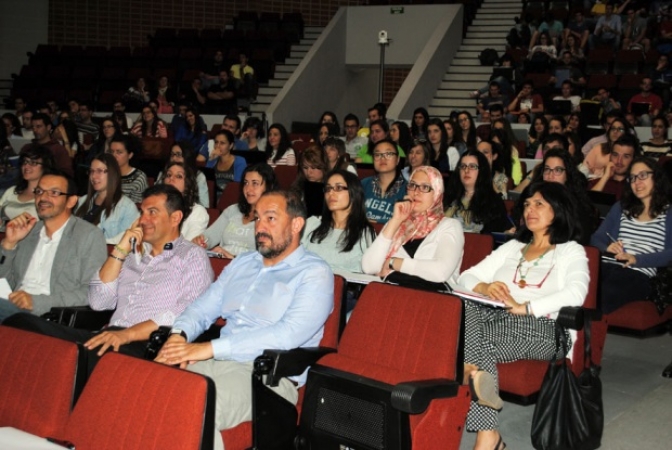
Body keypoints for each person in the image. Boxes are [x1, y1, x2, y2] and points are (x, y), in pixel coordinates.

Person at [154, 190, 334, 450]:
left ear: (296, 224)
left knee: (196, 408)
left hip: (268, 377)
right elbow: (203, 308)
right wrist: (177, 337)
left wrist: (207, 348)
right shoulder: (243, 263)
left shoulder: (314, 273)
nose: (260, 227)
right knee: (149, 391)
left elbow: (288, 335)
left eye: (270, 218)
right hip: (216, 360)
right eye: (257, 218)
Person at [5, 184, 213, 373]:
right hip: (109, 336)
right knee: (19, 323)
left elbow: (187, 311)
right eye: (142, 212)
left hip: (148, 344)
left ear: (175, 218)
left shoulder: (192, 255)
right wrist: (120, 251)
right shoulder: (131, 256)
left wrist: (128, 334)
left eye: (152, 212)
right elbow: (99, 302)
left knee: (70, 360)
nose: (143, 220)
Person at [457, 181, 589, 450]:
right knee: (465, 306)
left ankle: (466, 369)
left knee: (467, 342)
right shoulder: (512, 248)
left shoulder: (570, 251)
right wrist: (485, 286)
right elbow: (465, 277)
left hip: (546, 328)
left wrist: (526, 307)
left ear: (558, 210)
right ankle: (488, 434)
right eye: (527, 204)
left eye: (539, 203)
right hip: (496, 320)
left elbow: (577, 293)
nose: (530, 209)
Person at [0, 172, 107, 322]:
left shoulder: (88, 236)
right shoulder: (28, 232)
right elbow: (5, 284)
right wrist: (9, 244)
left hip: (50, 316)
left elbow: (92, 292)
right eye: (39, 191)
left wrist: (36, 302)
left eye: (54, 193)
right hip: (11, 308)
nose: (43, 198)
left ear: (71, 201)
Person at [591, 157, 672, 314]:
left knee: (601, 296)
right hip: (606, 265)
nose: (637, 182)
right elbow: (596, 239)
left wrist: (636, 259)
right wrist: (607, 246)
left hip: (638, 272)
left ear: (656, 177)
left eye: (642, 175)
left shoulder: (668, 213)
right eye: (632, 178)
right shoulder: (621, 207)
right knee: (578, 288)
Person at [362, 165, 464, 285]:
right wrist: (395, 221)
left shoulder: (450, 225)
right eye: (412, 185)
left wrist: (393, 262)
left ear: (437, 193)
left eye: (425, 187)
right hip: (393, 296)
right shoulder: (397, 222)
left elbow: (440, 272)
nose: (416, 192)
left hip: (433, 299)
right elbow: (368, 267)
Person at [193, 163, 278, 258]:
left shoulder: (274, 218)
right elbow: (209, 237)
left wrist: (233, 258)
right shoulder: (232, 210)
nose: (248, 189)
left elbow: (268, 260)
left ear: (269, 187)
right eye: (246, 183)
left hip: (248, 269)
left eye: (255, 183)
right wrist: (200, 241)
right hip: (221, 263)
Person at [517, 148, 598, 245]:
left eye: (558, 170)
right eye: (547, 169)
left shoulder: (577, 206)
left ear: (567, 174)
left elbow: (580, 241)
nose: (550, 175)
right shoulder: (533, 199)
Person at [302, 169, 375, 274]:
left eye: (339, 188)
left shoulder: (365, 233)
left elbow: (371, 272)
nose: (331, 193)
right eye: (328, 188)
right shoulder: (312, 223)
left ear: (353, 192)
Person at [75, 153, 139, 244]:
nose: (94, 176)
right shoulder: (83, 201)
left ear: (113, 173)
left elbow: (126, 243)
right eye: (92, 171)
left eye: (100, 171)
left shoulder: (127, 207)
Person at [444, 150, 510, 234]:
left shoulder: (494, 202)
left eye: (472, 166)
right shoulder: (449, 197)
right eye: (463, 166)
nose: (466, 170)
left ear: (482, 171)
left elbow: (491, 238)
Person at [0, 147, 56, 228]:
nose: (26, 166)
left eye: (33, 163)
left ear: (45, 167)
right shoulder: (12, 191)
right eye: (25, 162)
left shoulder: (49, 196)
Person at [361, 138, 408, 223]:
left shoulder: (407, 189)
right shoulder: (364, 184)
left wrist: (376, 222)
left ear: (397, 160)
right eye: (377, 154)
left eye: (388, 154)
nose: (382, 158)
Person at [161, 161, 208, 241]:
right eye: (168, 175)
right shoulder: (155, 207)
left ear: (188, 185)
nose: (171, 179)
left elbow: (189, 247)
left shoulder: (197, 212)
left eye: (179, 176)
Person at [157, 141, 210, 208]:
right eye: (172, 154)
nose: (174, 158)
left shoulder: (198, 176)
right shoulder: (163, 174)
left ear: (187, 156)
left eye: (178, 155)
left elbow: (205, 206)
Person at [589, 134, 639, 200]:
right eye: (615, 155)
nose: (619, 161)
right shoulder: (596, 183)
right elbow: (588, 204)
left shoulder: (637, 185)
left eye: (625, 156)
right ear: (610, 157)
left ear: (633, 159)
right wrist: (605, 177)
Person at [22, 113, 72, 177]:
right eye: (33, 127)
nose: (35, 130)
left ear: (48, 127)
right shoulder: (27, 148)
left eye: (38, 126)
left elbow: (67, 174)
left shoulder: (58, 149)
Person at [206, 130, 247, 199]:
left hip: (231, 199)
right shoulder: (212, 160)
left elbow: (236, 187)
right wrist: (211, 159)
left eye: (222, 143)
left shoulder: (239, 161)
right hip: (213, 198)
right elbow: (207, 183)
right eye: (216, 142)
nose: (218, 146)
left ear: (230, 146)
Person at [107, 134, 148, 203]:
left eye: (119, 152)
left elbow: (135, 208)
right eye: (111, 152)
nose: (114, 156)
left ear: (130, 155)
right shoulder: (105, 173)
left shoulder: (138, 178)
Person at [291, 144, 327, 217]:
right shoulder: (297, 187)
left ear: (323, 167)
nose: (309, 172)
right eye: (305, 167)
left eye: (313, 168)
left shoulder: (331, 188)